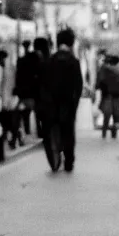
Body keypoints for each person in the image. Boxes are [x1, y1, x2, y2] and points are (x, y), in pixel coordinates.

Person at [37, 27, 83, 172]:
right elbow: (78, 86)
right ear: (71, 43)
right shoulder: (73, 62)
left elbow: (42, 85)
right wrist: (74, 104)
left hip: (51, 105)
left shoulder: (49, 61)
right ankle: (68, 162)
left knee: (52, 132)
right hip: (68, 105)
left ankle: (55, 159)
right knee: (68, 133)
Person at [95, 54, 119, 139]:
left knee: (107, 116)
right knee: (116, 116)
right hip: (117, 97)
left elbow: (99, 82)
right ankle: (114, 134)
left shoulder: (105, 69)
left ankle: (104, 134)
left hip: (108, 96)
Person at [0, 48, 21, 149]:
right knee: (5, 122)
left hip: (11, 99)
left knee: (12, 122)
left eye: (1, 58)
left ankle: (14, 140)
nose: (0, 60)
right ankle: (14, 138)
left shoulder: (11, 68)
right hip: (2, 101)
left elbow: (15, 83)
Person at [15, 40, 37, 136]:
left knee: (25, 113)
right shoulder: (33, 60)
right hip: (31, 91)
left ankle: (27, 130)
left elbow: (18, 76)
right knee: (29, 112)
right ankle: (30, 130)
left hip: (24, 91)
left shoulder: (20, 60)